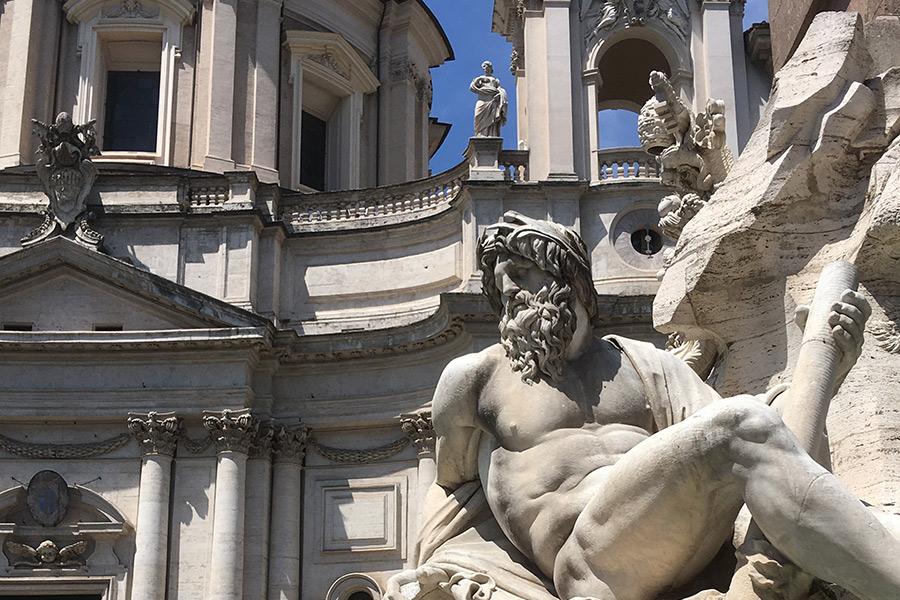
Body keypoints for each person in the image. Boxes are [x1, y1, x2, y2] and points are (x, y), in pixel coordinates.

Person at [388, 212, 900, 600]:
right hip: (588, 565)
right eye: (499, 285)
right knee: (741, 426)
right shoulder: (475, 378)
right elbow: (451, 492)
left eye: (520, 273)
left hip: (680, 539)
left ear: (569, 281)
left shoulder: (641, 363)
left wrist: (827, 369)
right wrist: (444, 569)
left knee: (753, 426)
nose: (508, 292)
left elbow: (765, 441)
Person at [470, 61, 508, 138]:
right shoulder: (480, 78)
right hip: (482, 100)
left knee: (492, 119)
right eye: (484, 66)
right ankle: (480, 134)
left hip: (493, 100)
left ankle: (491, 134)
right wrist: (478, 79)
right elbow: (472, 88)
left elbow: (500, 90)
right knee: (478, 116)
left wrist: (499, 95)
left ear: (491, 68)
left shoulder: (495, 79)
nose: (486, 68)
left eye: (487, 66)